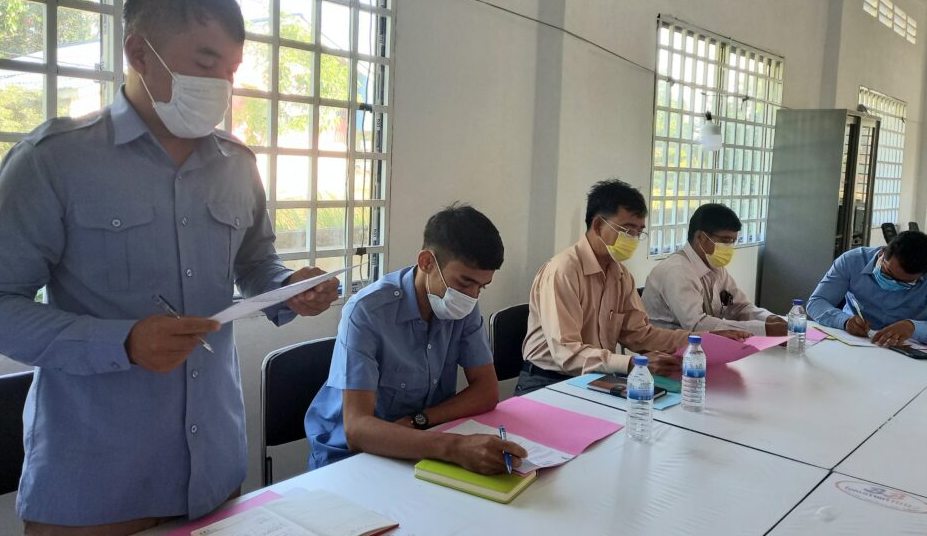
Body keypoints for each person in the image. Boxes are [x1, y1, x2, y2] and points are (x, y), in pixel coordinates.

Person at [0, 0, 339, 536]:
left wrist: (289, 288)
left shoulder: (238, 164)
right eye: (205, 62)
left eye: (231, 71)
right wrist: (123, 342)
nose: (220, 85)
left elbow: (255, 263)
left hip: (214, 474)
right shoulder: (53, 161)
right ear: (139, 52)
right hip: (96, 489)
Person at [304, 204, 526, 473]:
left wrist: (419, 420)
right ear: (427, 262)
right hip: (350, 458)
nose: (472, 296)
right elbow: (358, 428)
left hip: (424, 442)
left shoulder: (462, 305)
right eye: (465, 282)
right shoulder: (368, 311)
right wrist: (454, 447)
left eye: (482, 287)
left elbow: (486, 392)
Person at [515, 180, 749, 395]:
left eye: (639, 231)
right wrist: (630, 364)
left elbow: (640, 335)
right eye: (628, 230)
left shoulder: (620, 275)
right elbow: (566, 352)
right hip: (547, 382)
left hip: (596, 378)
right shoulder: (563, 271)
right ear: (598, 225)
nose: (634, 238)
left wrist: (701, 340)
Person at [642, 203, 786, 336]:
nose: (730, 247)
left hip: (700, 345)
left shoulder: (715, 266)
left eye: (733, 241)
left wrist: (769, 318)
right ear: (701, 237)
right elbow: (697, 325)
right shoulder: (677, 271)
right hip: (667, 349)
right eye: (726, 240)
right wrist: (763, 329)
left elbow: (739, 307)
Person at [806, 230, 927, 347]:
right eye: (887, 273)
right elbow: (817, 302)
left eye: (904, 283)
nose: (892, 282)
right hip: (853, 340)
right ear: (882, 253)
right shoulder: (853, 260)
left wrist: (912, 327)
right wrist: (844, 321)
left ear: (925, 273)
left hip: (905, 348)